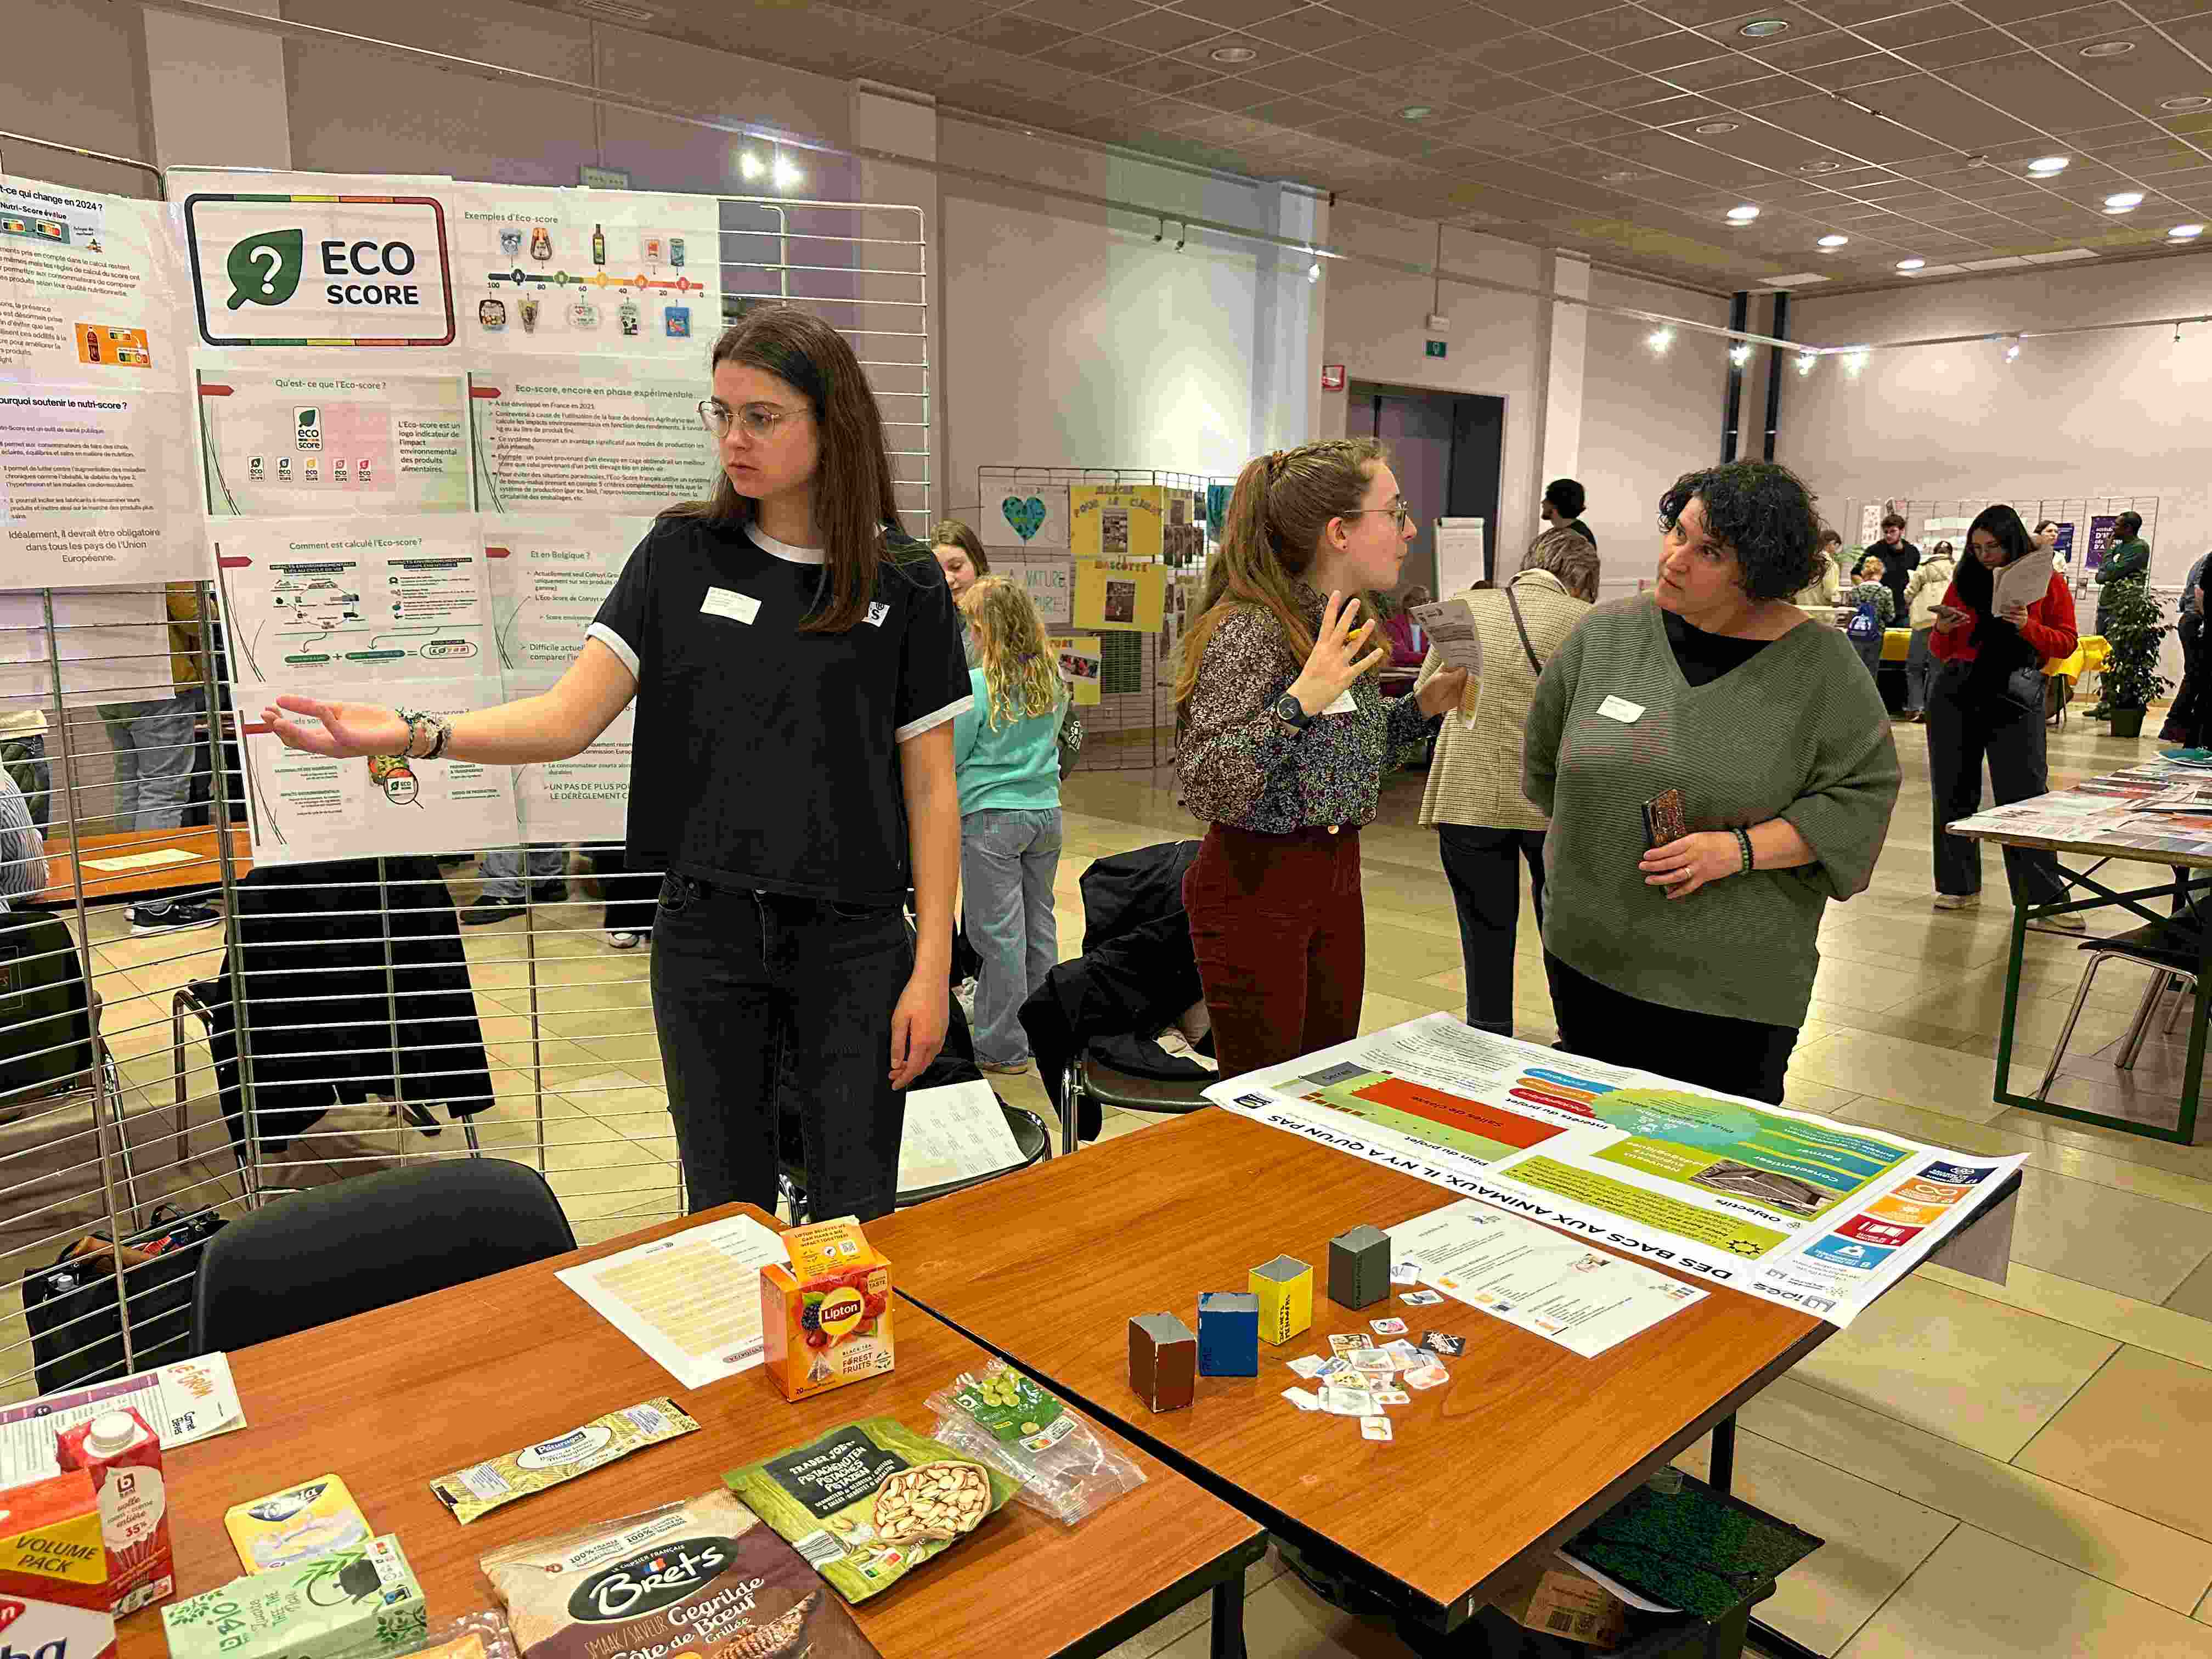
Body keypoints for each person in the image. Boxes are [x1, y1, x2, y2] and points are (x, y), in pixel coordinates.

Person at [260, 309, 969, 1223]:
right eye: (720, 413)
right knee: (726, 1213)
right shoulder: (680, 554)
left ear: (834, 423)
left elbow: (931, 786)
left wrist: (930, 966)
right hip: (707, 932)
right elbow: (565, 717)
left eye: (763, 415)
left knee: (855, 1209)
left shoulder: (904, 581)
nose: (734, 439)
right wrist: (409, 731)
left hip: (856, 941)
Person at [1524, 461, 1900, 1105]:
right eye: (1678, 532)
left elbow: (1860, 798)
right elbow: (1545, 767)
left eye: (1710, 552)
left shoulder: (1821, 668)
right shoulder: (1603, 636)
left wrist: (1740, 850)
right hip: (1588, 959)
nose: (1675, 559)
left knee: (1705, 1169)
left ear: (1757, 569)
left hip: (1730, 987)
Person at [1175, 439, 1466, 1080]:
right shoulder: (1253, 629)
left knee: (1327, 1087)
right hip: (1258, 888)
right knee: (1265, 1104)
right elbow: (1206, 782)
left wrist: (1422, 709)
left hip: (1335, 883)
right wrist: (1298, 702)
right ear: (1339, 532)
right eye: (1395, 512)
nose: (1410, 530)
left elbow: (1340, 760)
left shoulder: (1344, 623)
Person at [1417, 528, 1597, 1036]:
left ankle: (1488, 1029)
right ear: (1580, 578)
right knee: (1562, 925)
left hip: (1467, 791)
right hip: (1552, 800)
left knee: (1483, 925)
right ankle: (1576, 1034)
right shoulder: (1588, 621)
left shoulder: (1461, 607)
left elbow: (1427, 694)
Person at [1926, 504, 2081, 927]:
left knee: (2026, 794)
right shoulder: (1963, 580)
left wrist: (2027, 625)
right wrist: (1942, 631)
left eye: (1993, 547)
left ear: (2011, 542)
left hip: (2015, 691)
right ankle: (1957, 886)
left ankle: (2041, 899)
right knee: (1953, 791)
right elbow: (1941, 651)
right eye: (1976, 548)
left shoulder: (2045, 581)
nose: (1985, 556)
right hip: (1957, 690)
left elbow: (2066, 643)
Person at [951, 577, 1065, 1075]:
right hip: (1047, 813)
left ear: (984, 629)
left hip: (992, 819)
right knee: (1039, 924)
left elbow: (954, 756)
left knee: (997, 935)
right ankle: (1046, 1032)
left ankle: (1001, 1046)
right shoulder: (1054, 680)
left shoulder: (977, 688)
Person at [97, 584, 221, 936]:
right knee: (163, 791)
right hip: (160, 681)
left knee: (131, 784)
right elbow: (194, 615)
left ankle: (134, 894)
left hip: (106, 681)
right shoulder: (161, 545)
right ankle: (156, 906)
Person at [1901, 539, 1957, 721]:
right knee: (1938, 668)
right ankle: (1935, 709)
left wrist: (1910, 601)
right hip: (1944, 621)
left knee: (1915, 666)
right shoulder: (1956, 569)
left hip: (1923, 619)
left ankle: (1915, 707)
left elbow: (1909, 592)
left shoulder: (1923, 568)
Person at [1842, 554, 1894, 680]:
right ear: (1880, 573)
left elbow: (1849, 612)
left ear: (1864, 573)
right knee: (1871, 670)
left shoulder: (1854, 591)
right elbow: (1890, 617)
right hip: (1875, 635)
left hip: (1855, 635)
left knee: (1854, 668)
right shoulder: (1885, 591)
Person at [1871, 512, 1920, 634]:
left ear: (1902, 531)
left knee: (1901, 648)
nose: (1888, 535)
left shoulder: (1913, 553)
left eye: (1893, 531)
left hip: (1903, 611)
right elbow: (1856, 574)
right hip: (1879, 611)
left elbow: (1915, 580)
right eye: (1886, 532)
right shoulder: (1875, 550)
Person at [1791, 528, 1843, 611]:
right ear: (1832, 543)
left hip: (1800, 611)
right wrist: (1839, 600)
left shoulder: (1804, 560)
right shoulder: (1830, 565)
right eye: (1837, 546)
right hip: (1821, 613)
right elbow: (1830, 592)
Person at [1381, 585, 1431, 669]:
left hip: (1424, 671)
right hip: (1402, 676)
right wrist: (1429, 659)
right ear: (1407, 604)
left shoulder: (1429, 625)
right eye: (1421, 601)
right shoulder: (1393, 625)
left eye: (1427, 601)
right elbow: (1399, 655)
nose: (1425, 605)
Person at [1541, 479, 1595, 548]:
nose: (1543, 502)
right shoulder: (1564, 534)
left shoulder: (1577, 539)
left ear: (1556, 503)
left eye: (1547, 499)